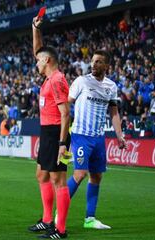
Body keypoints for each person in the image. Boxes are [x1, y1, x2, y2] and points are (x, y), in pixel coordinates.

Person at [66, 50, 127, 229]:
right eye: (93, 61)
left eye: (99, 61)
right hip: (80, 136)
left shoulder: (111, 86)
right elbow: (67, 103)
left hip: (98, 138)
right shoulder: (81, 81)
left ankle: (90, 219)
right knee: (80, 174)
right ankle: (58, 215)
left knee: (97, 176)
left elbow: (114, 112)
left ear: (107, 66)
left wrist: (119, 135)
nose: (94, 64)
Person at [28, 16, 71, 239]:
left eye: (38, 60)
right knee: (41, 175)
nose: (35, 63)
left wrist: (63, 144)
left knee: (58, 180)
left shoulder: (56, 80)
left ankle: (60, 229)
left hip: (58, 134)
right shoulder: (48, 78)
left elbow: (66, 114)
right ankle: (47, 220)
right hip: (48, 133)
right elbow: (39, 50)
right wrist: (35, 28)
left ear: (46, 60)